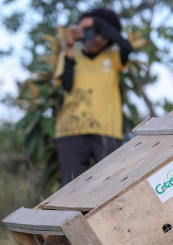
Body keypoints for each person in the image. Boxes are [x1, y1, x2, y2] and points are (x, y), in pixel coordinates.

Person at [54, 8, 133, 185]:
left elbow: (127, 46)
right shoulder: (70, 55)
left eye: (103, 35)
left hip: (107, 129)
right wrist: (68, 46)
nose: (97, 39)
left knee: (114, 185)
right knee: (72, 189)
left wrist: (96, 23)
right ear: (83, 34)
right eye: (92, 33)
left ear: (109, 38)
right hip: (71, 129)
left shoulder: (114, 58)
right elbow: (67, 85)